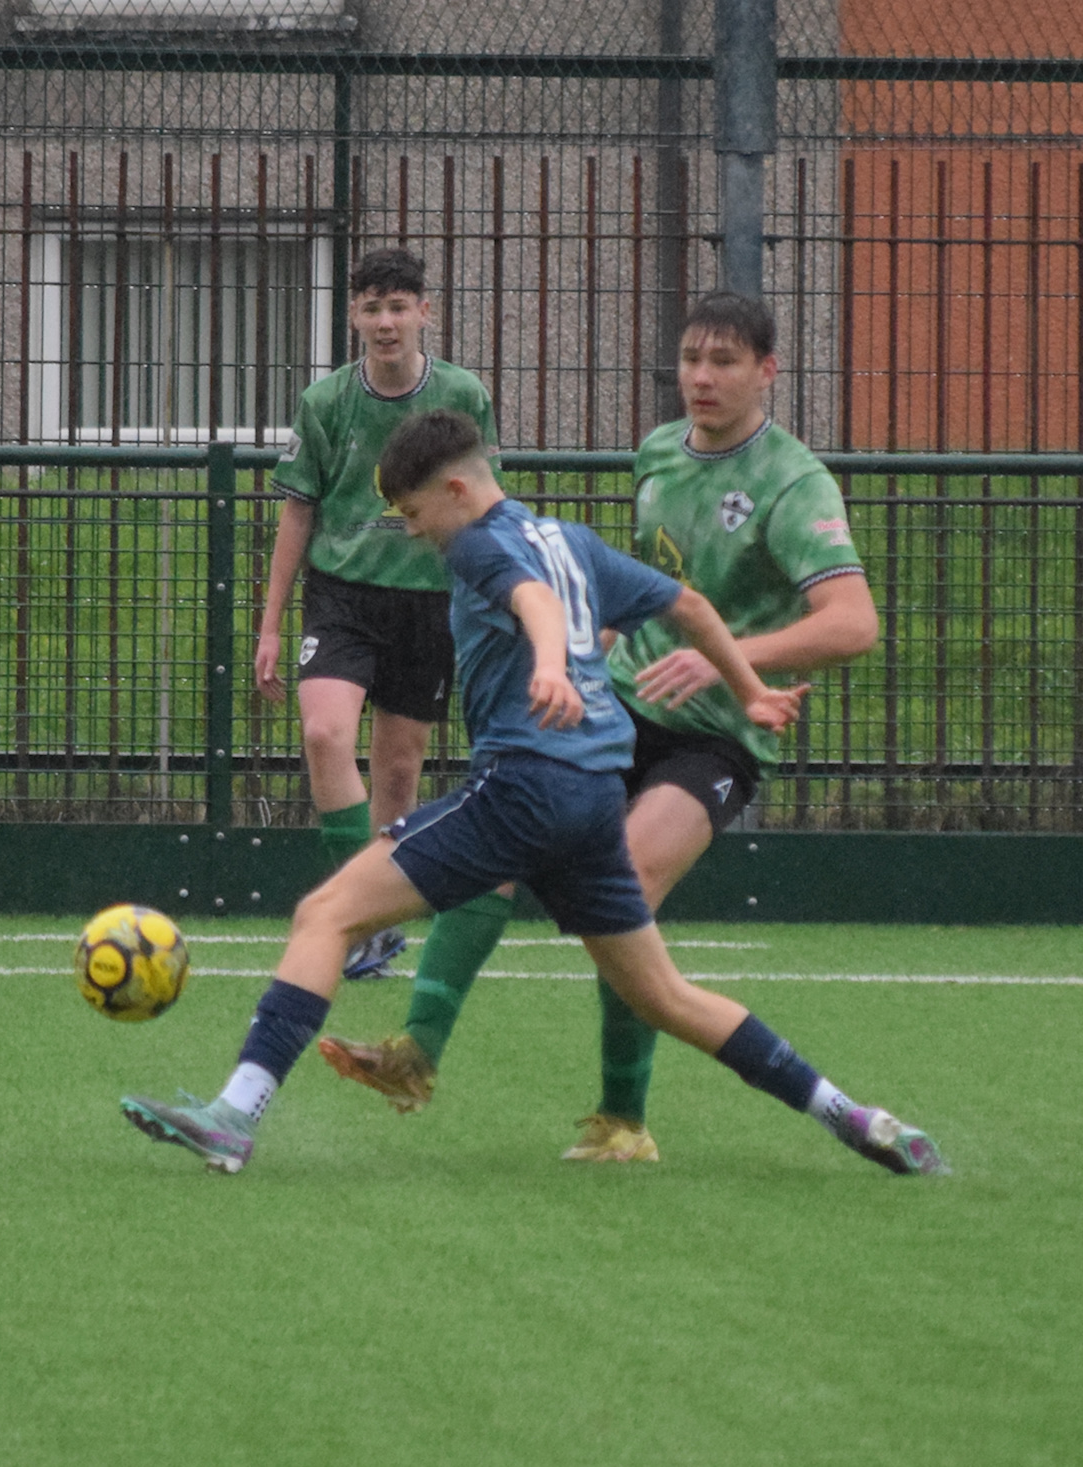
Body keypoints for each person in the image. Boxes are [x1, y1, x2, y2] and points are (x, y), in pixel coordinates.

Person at [120, 409, 943, 1178]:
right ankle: (852, 1114)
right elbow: (688, 604)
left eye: (412, 514)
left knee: (325, 914)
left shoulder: (478, 543)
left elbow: (536, 603)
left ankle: (235, 1114)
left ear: (455, 490)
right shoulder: (570, 537)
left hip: (526, 786)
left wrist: (548, 662)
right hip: (590, 797)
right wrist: (751, 689)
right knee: (660, 994)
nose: (413, 534)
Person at [317, 292, 881, 1163]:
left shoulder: (794, 481)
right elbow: (645, 582)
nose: (701, 377)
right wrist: (589, 641)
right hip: (615, 708)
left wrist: (734, 662)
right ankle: (415, 1054)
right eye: (691, 358)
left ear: (767, 372)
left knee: (632, 889)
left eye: (725, 362)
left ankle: (624, 1120)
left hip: (717, 733)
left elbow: (854, 622)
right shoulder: (657, 453)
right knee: (489, 854)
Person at [257, 247, 496, 978]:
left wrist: (498, 597)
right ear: (353, 316)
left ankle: (375, 922)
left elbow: (481, 503)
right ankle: (352, 915)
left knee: (398, 772)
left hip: (429, 600)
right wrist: (270, 624)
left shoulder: (463, 394)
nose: (385, 322)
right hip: (343, 595)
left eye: (399, 307)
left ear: (426, 312)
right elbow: (300, 512)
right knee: (326, 732)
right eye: (371, 307)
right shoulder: (326, 401)